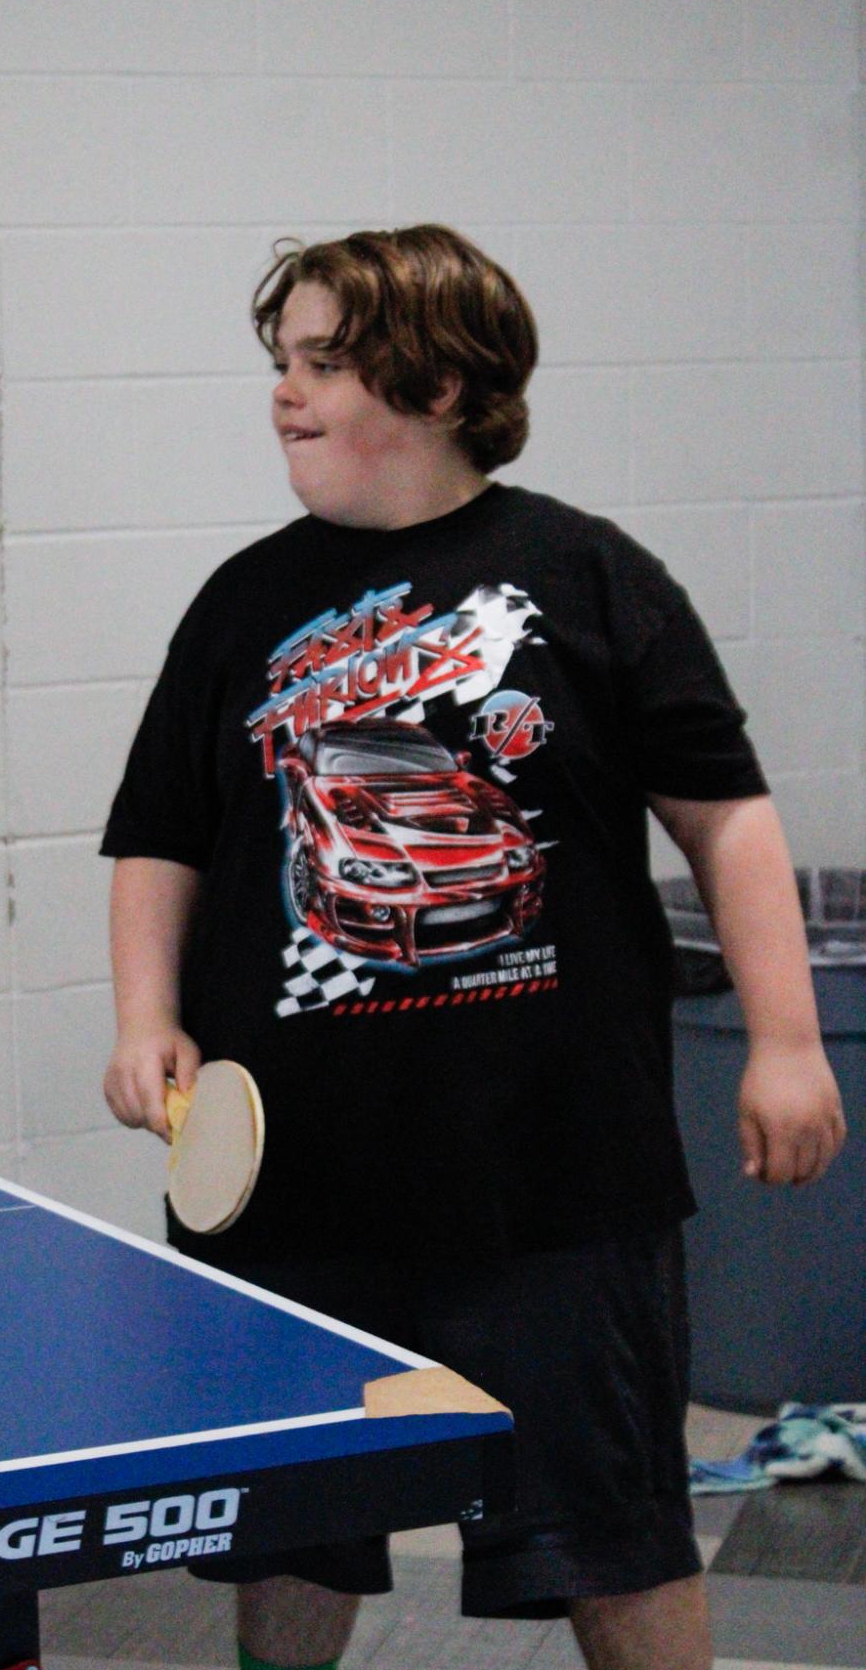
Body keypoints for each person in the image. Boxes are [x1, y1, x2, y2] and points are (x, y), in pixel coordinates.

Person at [98, 225, 846, 1670]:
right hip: (289, 1174)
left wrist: (789, 1039)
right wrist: (144, 1015)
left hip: (555, 1173)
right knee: (293, 1527)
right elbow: (157, 835)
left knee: (615, 1520)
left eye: (323, 360)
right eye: (279, 361)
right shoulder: (241, 602)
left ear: (439, 383)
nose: (284, 391)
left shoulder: (587, 574)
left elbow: (728, 822)